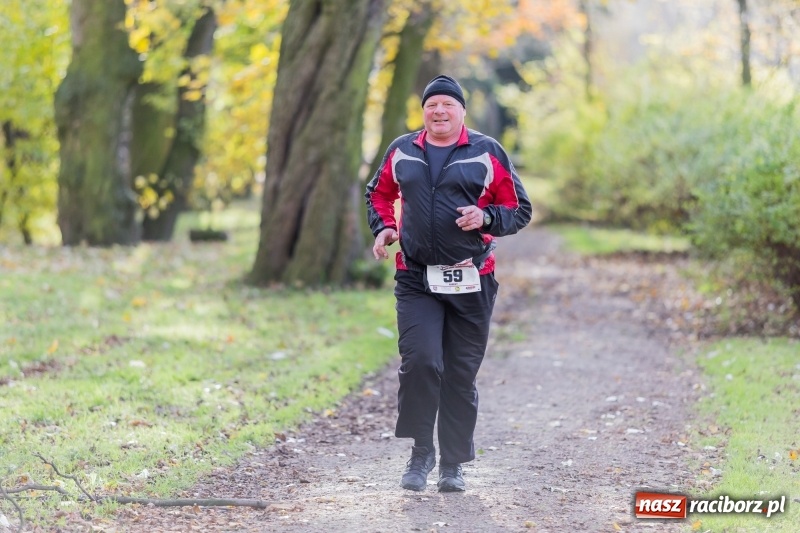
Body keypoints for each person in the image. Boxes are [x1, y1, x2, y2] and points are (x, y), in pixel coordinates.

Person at [364, 75, 532, 492]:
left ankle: (452, 465)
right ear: (424, 112)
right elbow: (378, 193)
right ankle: (421, 453)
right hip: (417, 278)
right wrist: (385, 227)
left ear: (461, 111)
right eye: (431, 105)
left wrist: (487, 218)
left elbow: (519, 208)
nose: (439, 111)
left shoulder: (486, 151)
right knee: (421, 363)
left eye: (447, 105)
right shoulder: (402, 149)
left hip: (473, 279)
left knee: (458, 373)